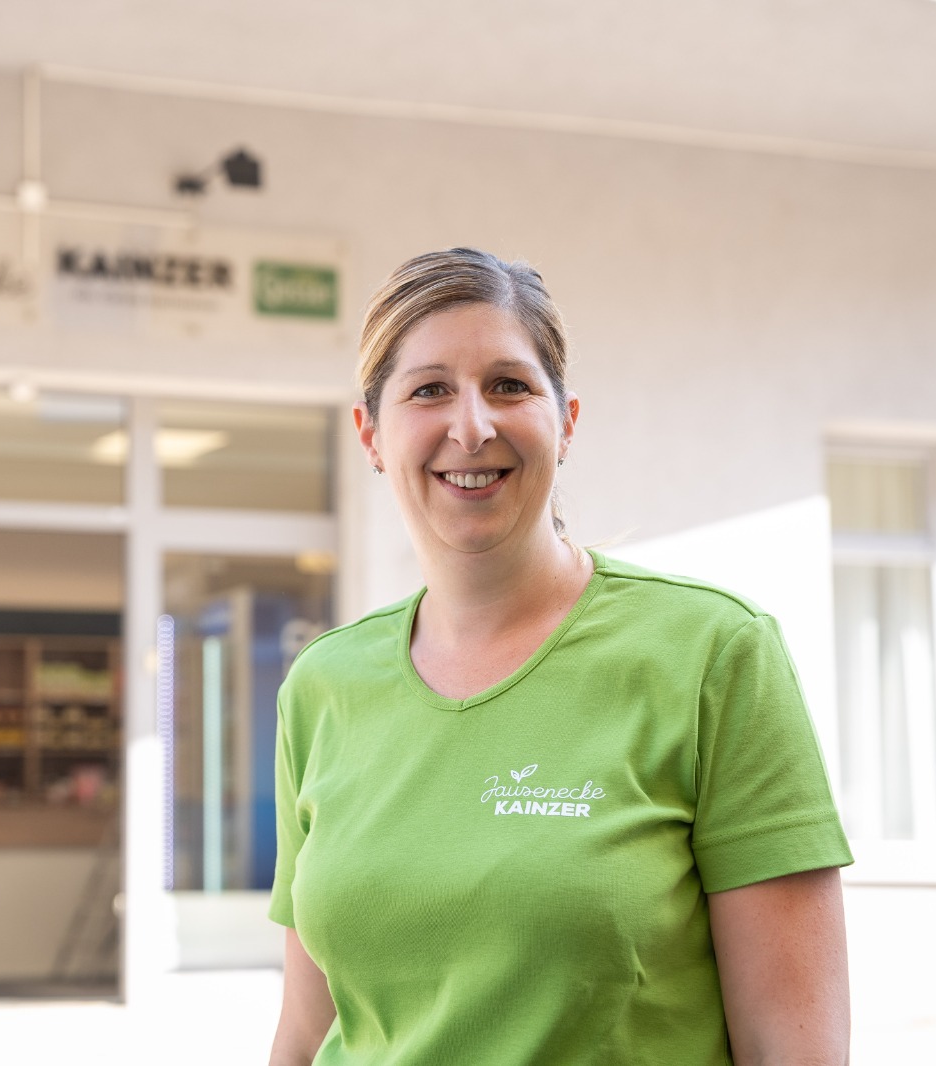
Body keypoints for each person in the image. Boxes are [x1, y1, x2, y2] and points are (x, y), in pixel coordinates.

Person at [267, 248, 853, 1065]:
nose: (472, 426)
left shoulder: (714, 654)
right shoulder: (323, 686)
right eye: (429, 390)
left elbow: (793, 1048)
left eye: (509, 385)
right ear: (370, 434)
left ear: (566, 420)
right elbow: (305, 1033)